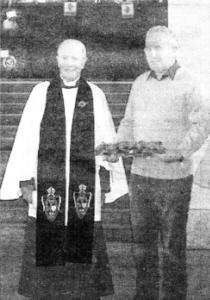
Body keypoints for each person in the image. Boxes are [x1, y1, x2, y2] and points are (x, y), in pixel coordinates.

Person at [0, 39, 128, 300]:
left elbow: (107, 141)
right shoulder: (40, 92)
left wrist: (108, 177)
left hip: (84, 188)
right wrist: (25, 180)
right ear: (57, 59)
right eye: (65, 57)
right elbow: (26, 139)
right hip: (48, 185)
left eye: (75, 58)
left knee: (84, 240)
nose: (70, 63)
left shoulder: (95, 94)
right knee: (47, 237)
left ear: (84, 61)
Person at [116, 26, 210, 300]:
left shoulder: (192, 82)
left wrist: (180, 152)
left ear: (174, 48)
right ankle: (144, 295)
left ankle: (173, 296)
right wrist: (119, 146)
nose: (153, 53)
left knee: (171, 247)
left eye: (159, 47)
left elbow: (203, 124)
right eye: (148, 48)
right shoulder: (139, 83)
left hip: (174, 180)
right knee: (142, 246)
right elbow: (129, 121)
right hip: (141, 177)